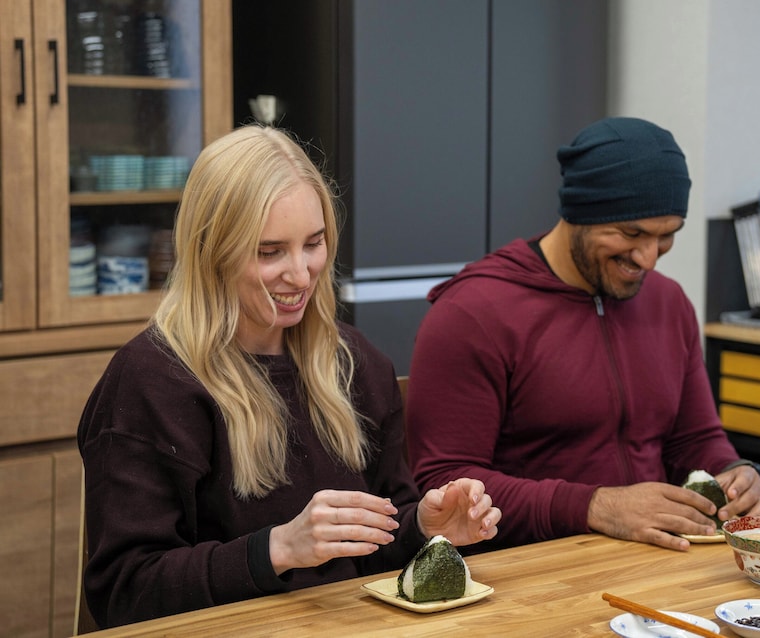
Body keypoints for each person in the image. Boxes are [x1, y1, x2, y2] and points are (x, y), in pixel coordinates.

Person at [77, 125, 501, 629]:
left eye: (313, 244)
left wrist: (423, 529)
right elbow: (125, 594)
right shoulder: (152, 382)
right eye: (269, 251)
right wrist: (276, 549)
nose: (301, 274)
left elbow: (377, 554)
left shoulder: (358, 365)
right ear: (211, 251)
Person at [405, 116, 760, 553]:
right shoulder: (473, 313)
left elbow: (694, 439)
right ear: (577, 214)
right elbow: (445, 485)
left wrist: (736, 473)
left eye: (667, 236)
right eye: (631, 233)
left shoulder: (669, 303)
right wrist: (593, 506)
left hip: (657, 564)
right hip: (527, 577)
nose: (649, 259)